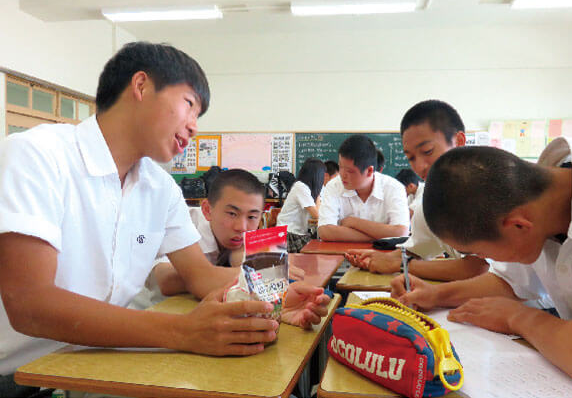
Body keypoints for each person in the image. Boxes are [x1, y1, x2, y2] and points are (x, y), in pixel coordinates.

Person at [0, 42, 328, 396]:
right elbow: (29, 305)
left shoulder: (160, 187)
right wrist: (182, 331)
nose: (194, 127)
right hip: (23, 379)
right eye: (189, 104)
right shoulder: (38, 155)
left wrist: (268, 296)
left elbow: (200, 276)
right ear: (141, 86)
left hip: (101, 365)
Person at [392, 139, 572, 396]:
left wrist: (518, 317)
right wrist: (437, 296)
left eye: (478, 252)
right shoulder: (539, 202)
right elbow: (508, 282)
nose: (481, 258)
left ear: (519, 226)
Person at [346, 100, 489, 280]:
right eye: (411, 158)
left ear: (459, 142)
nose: (420, 166)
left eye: (428, 151)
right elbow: (415, 251)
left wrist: (402, 265)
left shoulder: (487, 191)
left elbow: (479, 268)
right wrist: (383, 258)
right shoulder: (432, 202)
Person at [130, 169, 306, 310]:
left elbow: (270, 272)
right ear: (207, 210)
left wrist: (241, 257)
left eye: (252, 216)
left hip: (197, 315)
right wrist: (255, 274)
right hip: (143, 324)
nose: (242, 226)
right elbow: (166, 280)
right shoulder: (185, 223)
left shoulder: (245, 234)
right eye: (232, 213)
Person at [318, 134, 410, 242]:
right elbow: (325, 231)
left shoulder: (394, 188)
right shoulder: (334, 186)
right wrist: (378, 237)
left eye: (350, 171)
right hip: (342, 253)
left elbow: (401, 233)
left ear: (370, 171)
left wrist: (353, 222)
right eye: (341, 167)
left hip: (382, 255)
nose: (342, 174)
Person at [277, 159, 326, 253]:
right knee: (319, 250)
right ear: (317, 175)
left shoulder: (307, 188)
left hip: (297, 234)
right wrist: (319, 195)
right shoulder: (300, 187)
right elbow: (317, 214)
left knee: (319, 245)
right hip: (288, 236)